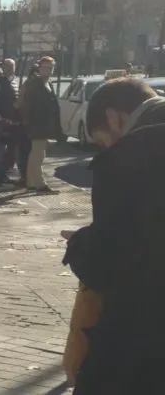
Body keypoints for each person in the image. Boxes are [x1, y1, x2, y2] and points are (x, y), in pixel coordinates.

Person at [63, 78, 165, 393]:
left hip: (141, 340)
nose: (106, 148)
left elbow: (112, 264)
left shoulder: (132, 156)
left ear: (113, 118)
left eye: (103, 141)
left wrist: (80, 243)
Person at [19, 57, 60, 193]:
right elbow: (31, 105)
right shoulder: (35, 84)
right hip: (37, 123)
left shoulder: (48, 83)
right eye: (46, 67)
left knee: (36, 153)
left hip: (43, 124)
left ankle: (31, 182)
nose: (49, 70)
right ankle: (40, 184)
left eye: (51, 67)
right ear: (39, 67)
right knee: (38, 154)